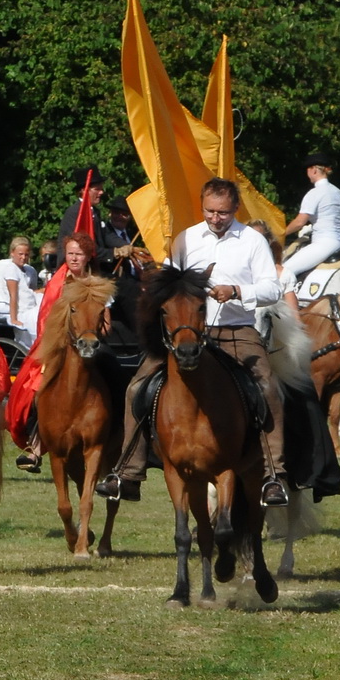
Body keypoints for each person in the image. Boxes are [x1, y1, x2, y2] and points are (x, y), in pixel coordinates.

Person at [98, 178, 291, 507]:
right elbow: (170, 284)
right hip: (184, 332)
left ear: (236, 209)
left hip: (234, 330)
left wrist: (238, 291)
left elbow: (272, 289)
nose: (216, 218)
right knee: (136, 388)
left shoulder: (252, 242)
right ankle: (128, 472)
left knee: (267, 388)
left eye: (223, 212)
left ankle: (274, 473)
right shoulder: (186, 238)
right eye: (210, 211)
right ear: (202, 206)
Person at [12, 232, 102, 473]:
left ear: (87, 257)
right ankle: (36, 445)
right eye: (70, 253)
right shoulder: (58, 282)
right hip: (59, 345)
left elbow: (107, 320)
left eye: (79, 254)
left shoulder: (97, 281)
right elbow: (46, 316)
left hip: (92, 343)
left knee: (115, 380)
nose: (74, 258)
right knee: (36, 386)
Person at [282, 153, 340, 279]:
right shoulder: (338, 193)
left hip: (324, 243)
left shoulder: (314, 193)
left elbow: (299, 222)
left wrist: (280, 234)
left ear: (313, 170)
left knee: (283, 272)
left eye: (307, 170)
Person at [0, 236, 38, 341]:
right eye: (20, 254)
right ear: (12, 253)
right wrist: (14, 319)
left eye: (26, 255)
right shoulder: (11, 269)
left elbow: (30, 291)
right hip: (16, 308)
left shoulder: (29, 271)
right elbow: (13, 295)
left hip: (27, 305)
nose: (23, 257)